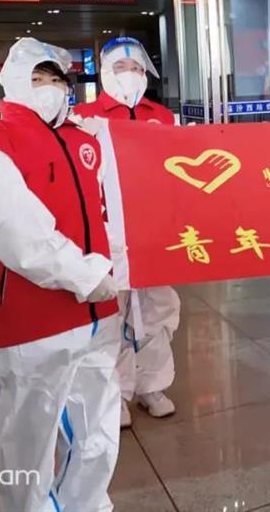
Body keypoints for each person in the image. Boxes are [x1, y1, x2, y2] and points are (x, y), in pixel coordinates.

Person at [0, 38, 120, 512]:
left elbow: (113, 215)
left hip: (97, 317)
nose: (49, 89)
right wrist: (90, 276)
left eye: (56, 80)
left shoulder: (85, 142)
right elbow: (25, 241)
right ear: (13, 84)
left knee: (99, 433)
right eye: (37, 79)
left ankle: (87, 505)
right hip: (30, 326)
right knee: (29, 444)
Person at [74, 36, 180, 428]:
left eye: (137, 68)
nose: (130, 75)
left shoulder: (161, 116)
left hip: (154, 231)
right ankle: (114, 393)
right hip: (107, 235)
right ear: (105, 71)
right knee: (111, 313)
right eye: (121, 68)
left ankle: (153, 385)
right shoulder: (83, 117)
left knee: (157, 310)